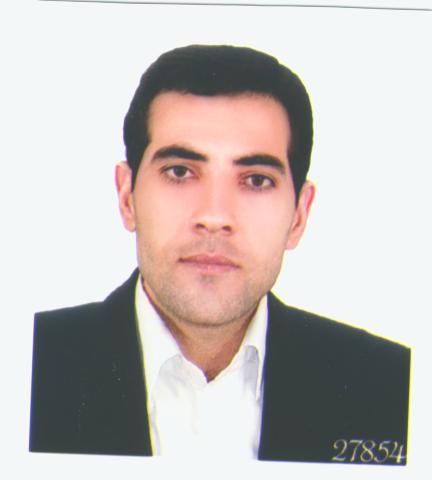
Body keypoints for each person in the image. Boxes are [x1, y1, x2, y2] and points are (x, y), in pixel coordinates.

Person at [29, 45, 410, 464]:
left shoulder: (395, 389)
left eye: (256, 180)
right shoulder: (26, 365)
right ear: (127, 197)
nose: (214, 216)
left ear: (299, 215)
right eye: (179, 172)